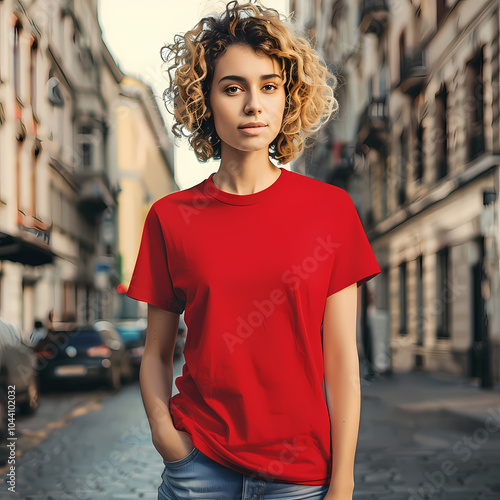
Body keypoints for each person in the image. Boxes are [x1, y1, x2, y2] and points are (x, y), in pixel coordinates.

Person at [126, 2, 382, 499]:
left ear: (289, 98)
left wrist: (343, 482)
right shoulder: (171, 217)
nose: (253, 105)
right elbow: (156, 353)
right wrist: (167, 437)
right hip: (199, 469)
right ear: (205, 100)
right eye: (232, 87)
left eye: (269, 86)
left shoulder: (330, 210)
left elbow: (343, 364)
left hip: (301, 476)